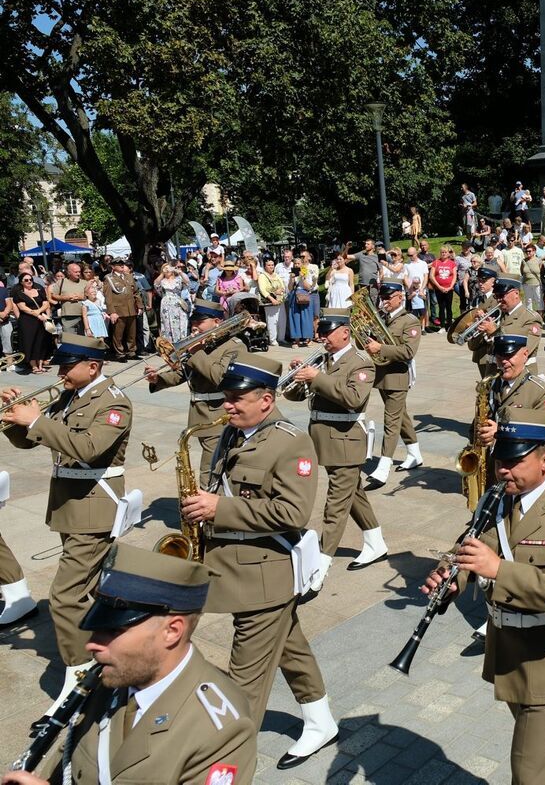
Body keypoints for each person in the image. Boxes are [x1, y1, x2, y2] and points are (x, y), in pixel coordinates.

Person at [420, 406, 545, 785]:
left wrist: (499, 569)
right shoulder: (496, 498)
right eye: (501, 459)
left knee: (526, 769)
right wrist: (451, 580)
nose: (503, 469)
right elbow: (469, 548)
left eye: (515, 461)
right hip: (507, 645)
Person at [180, 353, 338, 769]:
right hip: (232, 566)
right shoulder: (232, 433)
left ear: (266, 400)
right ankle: (321, 722)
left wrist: (219, 509)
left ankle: (225, 761)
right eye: (226, 397)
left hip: (263, 576)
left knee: (243, 683)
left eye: (236, 398)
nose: (226, 405)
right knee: (290, 647)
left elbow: (292, 513)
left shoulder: (291, 442)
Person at [0, 545, 256, 785]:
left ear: (172, 631)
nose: (92, 644)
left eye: (112, 630)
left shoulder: (220, 730)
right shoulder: (109, 679)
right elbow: (67, 763)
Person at [1, 334, 130, 710]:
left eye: (67, 366)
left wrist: (37, 418)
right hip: (71, 506)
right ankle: (117, 643)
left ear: (93, 366)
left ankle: (80, 672)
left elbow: (88, 448)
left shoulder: (114, 402)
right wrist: (15, 417)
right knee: (94, 585)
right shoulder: (70, 396)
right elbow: (33, 441)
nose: (60, 373)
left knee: (64, 595)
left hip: (94, 507)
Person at [283, 308, 387, 593]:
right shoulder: (324, 360)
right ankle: (376, 542)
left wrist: (316, 377)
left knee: (335, 505)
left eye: (327, 333)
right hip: (323, 440)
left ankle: (321, 563)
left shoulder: (361, 363)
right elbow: (292, 396)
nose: (323, 339)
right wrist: (297, 376)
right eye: (321, 334)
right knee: (353, 493)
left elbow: (353, 398)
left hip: (345, 442)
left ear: (344, 332)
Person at [145, 299, 246, 487]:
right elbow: (182, 373)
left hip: (219, 414)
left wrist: (197, 352)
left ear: (216, 322)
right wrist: (157, 379)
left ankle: (205, 510)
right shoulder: (202, 344)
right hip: (199, 414)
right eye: (193, 323)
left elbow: (219, 377)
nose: (194, 327)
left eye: (199, 322)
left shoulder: (234, 346)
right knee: (215, 466)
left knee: (209, 469)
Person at [365, 281, 425, 476]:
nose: (384, 302)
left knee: (391, 420)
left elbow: (408, 351)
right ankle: (414, 453)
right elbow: (365, 344)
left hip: (398, 377)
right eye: (382, 298)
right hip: (383, 375)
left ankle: (383, 465)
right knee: (400, 415)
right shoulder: (381, 317)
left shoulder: (410, 321)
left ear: (400, 296)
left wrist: (380, 348)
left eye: (388, 298)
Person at [14, 271, 54, 372]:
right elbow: (23, 307)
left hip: (41, 320)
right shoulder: (19, 293)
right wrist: (37, 314)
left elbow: (46, 303)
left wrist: (39, 312)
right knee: (30, 342)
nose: (29, 281)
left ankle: (40, 365)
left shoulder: (39, 290)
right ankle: (33, 366)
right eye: (26, 280)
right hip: (27, 321)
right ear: (21, 282)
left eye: (30, 279)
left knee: (41, 342)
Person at [49, 261, 87, 336]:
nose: (78, 274)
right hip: (68, 315)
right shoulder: (61, 282)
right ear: (69, 272)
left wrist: (81, 297)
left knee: (82, 339)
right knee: (70, 338)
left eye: (79, 272)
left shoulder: (85, 283)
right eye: (76, 272)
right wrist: (66, 297)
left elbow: (91, 296)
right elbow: (54, 296)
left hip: (84, 315)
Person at [287, 257, 317, 347]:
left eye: (298, 263)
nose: (296, 265)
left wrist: (302, 277)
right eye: (295, 263)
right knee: (295, 316)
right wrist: (292, 279)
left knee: (307, 317)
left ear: (302, 264)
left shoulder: (306, 272)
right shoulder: (292, 273)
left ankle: (308, 338)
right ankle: (296, 340)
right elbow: (290, 288)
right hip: (294, 296)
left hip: (304, 295)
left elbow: (309, 287)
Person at [258, 256, 287, 346]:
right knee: (272, 321)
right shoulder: (262, 276)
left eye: (272, 265)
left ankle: (281, 338)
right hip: (270, 302)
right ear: (265, 266)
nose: (271, 267)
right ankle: (273, 339)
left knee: (282, 320)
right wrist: (273, 297)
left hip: (280, 301)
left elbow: (283, 286)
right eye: (269, 265)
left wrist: (281, 291)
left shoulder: (276, 275)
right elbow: (263, 290)